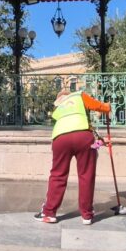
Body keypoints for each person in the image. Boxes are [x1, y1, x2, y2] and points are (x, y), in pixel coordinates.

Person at [35, 89, 111, 225]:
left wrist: (100, 141)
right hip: (84, 137)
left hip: (60, 140)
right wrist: (106, 107)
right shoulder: (79, 96)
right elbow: (97, 107)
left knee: (58, 175)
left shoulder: (58, 111)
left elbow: (69, 132)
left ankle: (49, 213)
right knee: (86, 175)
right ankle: (87, 215)